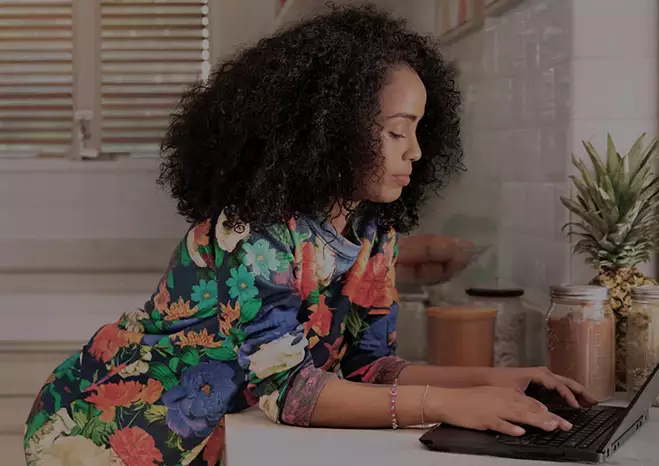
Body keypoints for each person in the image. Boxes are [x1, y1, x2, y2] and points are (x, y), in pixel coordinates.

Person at [22, 5, 596, 466]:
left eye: (419, 130)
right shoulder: (256, 235)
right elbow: (291, 394)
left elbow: (368, 370)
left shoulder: (373, 230)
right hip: (112, 430)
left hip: (212, 433)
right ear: (332, 131)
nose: (416, 152)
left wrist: (502, 381)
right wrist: (456, 404)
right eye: (398, 131)